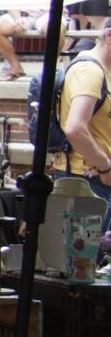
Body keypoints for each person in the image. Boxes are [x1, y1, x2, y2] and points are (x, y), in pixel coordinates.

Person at [55, 23, 111, 229]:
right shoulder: (89, 71)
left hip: (95, 179)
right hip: (87, 181)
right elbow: (75, 128)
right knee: (81, 258)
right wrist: (105, 167)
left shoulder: (102, 70)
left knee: (89, 258)